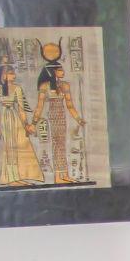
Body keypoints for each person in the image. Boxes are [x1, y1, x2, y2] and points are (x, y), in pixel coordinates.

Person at [32, 41, 87, 183]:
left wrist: (78, 119)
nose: (63, 72)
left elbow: (70, 105)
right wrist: (34, 123)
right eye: (60, 70)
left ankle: (64, 175)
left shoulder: (65, 85)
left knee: (62, 144)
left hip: (62, 116)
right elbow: (39, 106)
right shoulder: (45, 86)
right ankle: (58, 176)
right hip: (53, 115)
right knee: (57, 144)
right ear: (53, 72)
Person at [0, 62, 42, 187]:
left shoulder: (17, 88)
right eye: (11, 73)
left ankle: (17, 177)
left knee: (19, 147)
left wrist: (26, 124)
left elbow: (21, 109)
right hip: (5, 118)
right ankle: (12, 178)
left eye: (13, 73)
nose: (14, 76)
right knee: (9, 147)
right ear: (4, 75)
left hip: (15, 117)